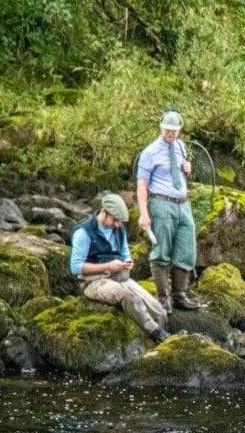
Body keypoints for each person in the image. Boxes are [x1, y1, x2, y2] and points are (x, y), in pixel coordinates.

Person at [69, 194, 169, 344]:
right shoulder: (83, 233)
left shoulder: (119, 229)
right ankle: (156, 333)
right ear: (104, 212)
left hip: (121, 277)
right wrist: (108, 266)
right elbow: (75, 267)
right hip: (94, 282)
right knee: (128, 297)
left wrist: (128, 262)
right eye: (115, 220)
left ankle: (158, 339)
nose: (117, 224)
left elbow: (125, 254)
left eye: (119, 221)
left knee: (160, 312)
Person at [136, 109, 201, 314]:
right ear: (161, 127)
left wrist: (188, 170)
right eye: (167, 130)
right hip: (161, 203)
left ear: (179, 130)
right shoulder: (150, 152)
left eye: (174, 131)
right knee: (161, 250)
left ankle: (180, 294)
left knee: (186, 247)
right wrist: (144, 213)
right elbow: (141, 185)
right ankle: (163, 299)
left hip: (183, 203)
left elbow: (182, 174)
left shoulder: (180, 147)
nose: (170, 134)